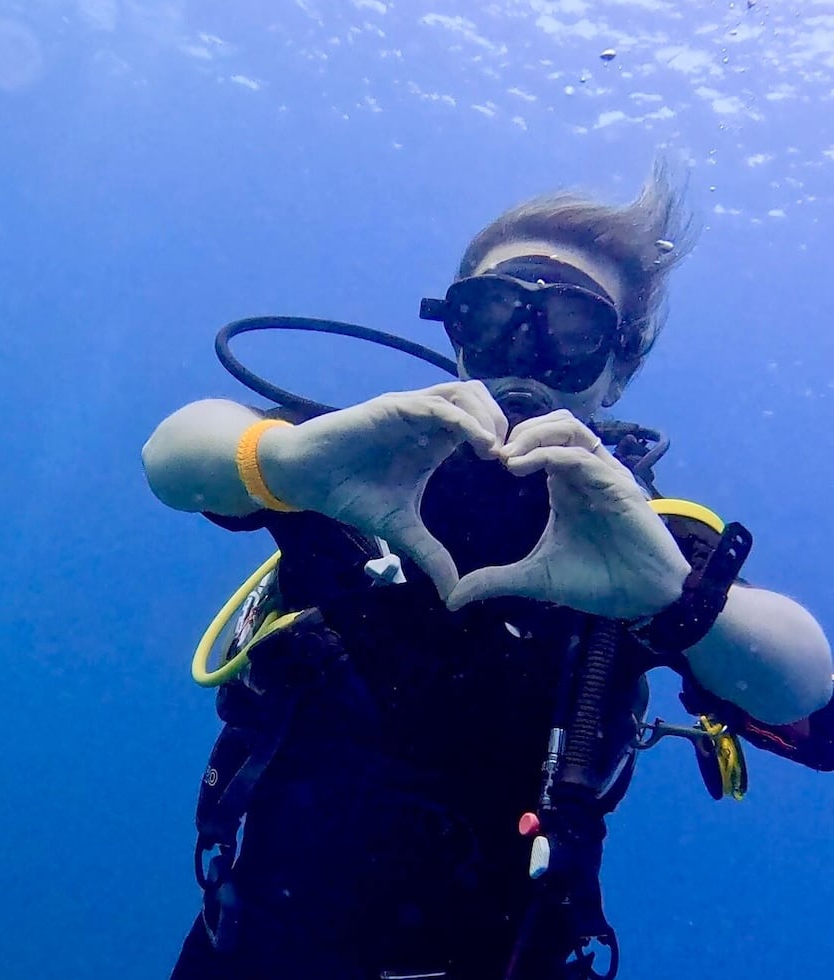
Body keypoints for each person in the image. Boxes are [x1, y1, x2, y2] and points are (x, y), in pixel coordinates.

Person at [142, 163, 834, 980]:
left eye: (573, 329)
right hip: (252, 952)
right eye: (498, 314)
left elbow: (808, 699)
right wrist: (286, 459)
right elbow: (175, 457)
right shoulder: (352, 464)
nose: (528, 355)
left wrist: (672, 601)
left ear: (619, 368)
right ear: (457, 331)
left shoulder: (645, 545)